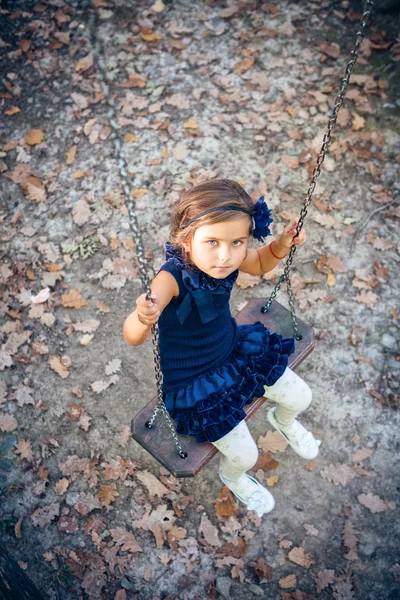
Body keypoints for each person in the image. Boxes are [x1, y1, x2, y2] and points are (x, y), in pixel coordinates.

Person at [123, 179, 321, 517]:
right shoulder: (170, 278)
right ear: (186, 240)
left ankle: (283, 420)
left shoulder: (230, 258)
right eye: (211, 242)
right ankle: (234, 477)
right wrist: (143, 316)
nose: (226, 255)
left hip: (233, 351)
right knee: (246, 455)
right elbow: (132, 335)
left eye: (237, 242)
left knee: (302, 397)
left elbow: (258, 264)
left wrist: (283, 242)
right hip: (194, 382)